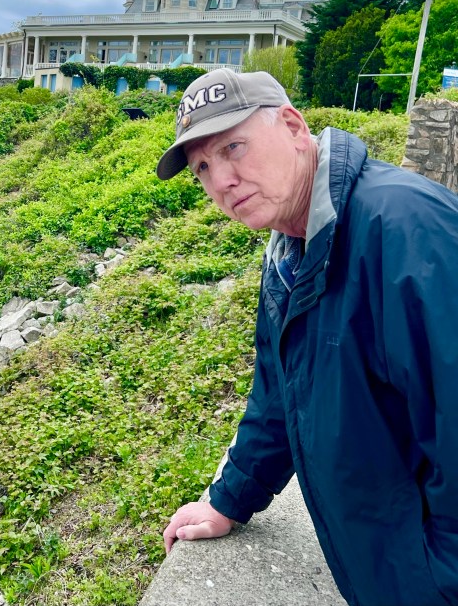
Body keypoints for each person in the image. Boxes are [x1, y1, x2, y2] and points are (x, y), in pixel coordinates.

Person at [155, 68, 458, 606]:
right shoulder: (290, 251)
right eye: (202, 167)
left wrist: (435, 583)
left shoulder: (408, 230)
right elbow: (280, 396)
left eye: (233, 147)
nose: (220, 181)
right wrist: (229, 499)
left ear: (294, 127)